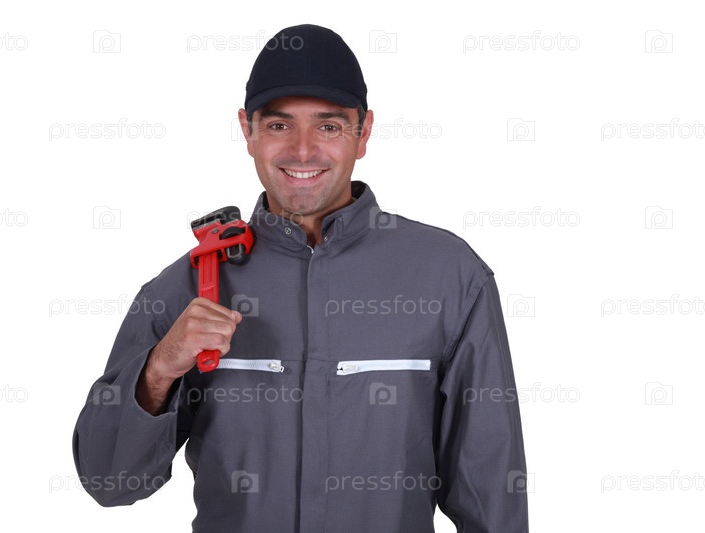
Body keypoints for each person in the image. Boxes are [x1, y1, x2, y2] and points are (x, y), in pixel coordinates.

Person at [73, 23, 529, 533]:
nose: (304, 151)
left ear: (364, 132)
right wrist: (159, 370)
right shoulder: (188, 285)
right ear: (247, 131)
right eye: (279, 125)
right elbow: (109, 482)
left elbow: (492, 493)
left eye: (329, 126)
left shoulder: (449, 276)